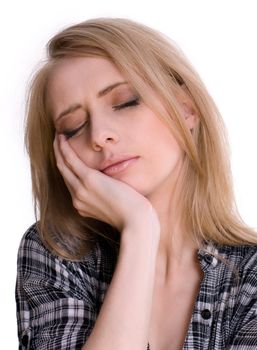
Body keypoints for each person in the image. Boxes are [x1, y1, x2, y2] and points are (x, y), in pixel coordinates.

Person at [15, 17, 257, 350]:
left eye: (126, 102)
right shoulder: (57, 255)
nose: (100, 136)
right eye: (73, 127)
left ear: (186, 109)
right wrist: (140, 232)